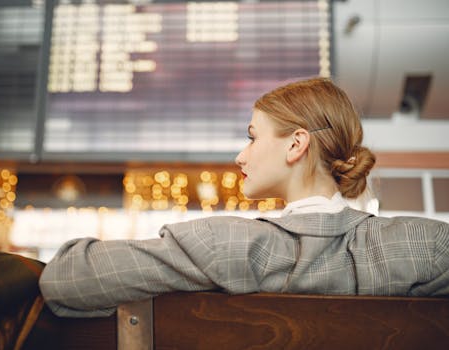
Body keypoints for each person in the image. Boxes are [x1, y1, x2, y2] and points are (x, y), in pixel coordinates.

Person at [39, 77, 449, 318]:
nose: (240, 156)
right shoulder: (428, 248)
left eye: (252, 138)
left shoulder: (223, 246)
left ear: (296, 145)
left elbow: (64, 279)